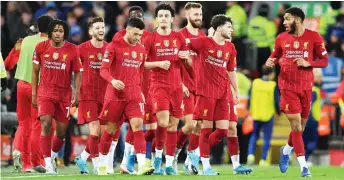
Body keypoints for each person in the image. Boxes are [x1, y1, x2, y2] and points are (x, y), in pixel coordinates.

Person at [265, 7, 329, 177]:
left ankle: (285, 151)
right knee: (295, 125)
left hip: (306, 87)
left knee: (300, 128)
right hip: (287, 87)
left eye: (287, 19)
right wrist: (271, 60)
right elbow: (274, 55)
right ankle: (304, 167)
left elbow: (324, 61)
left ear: (298, 20)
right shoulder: (281, 38)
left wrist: (309, 63)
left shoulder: (314, 37)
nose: (283, 22)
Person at [183, 14, 244, 175]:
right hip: (206, 92)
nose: (232, 30)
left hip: (223, 94)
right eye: (229, 27)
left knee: (223, 131)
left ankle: (194, 154)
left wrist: (236, 91)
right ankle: (206, 167)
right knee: (205, 129)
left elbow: (231, 71)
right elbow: (184, 43)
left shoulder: (231, 48)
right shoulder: (204, 42)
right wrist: (184, 56)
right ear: (218, 28)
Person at [97, 17, 158, 176]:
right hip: (115, 95)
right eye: (136, 34)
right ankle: (102, 164)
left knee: (138, 127)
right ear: (128, 30)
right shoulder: (113, 46)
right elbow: (103, 70)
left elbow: (139, 73)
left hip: (134, 95)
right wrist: (113, 80)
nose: (138, 38)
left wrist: (141, 93)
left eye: (140, 35)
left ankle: (142, 165)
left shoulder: (141, 50)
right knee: (110, 130)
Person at [32, 19, 83, 174]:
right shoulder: (40, 47)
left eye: (61, 31)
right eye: (55, 30)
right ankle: (47, 163)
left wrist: (77, 92)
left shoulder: (73, 49)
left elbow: (78, 72)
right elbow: (35, 72)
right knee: (46, 124)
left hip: (64, 94)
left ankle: (52, 158)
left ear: (64, 33)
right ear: (50, 32)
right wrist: (34, 93)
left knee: (61, 133)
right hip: (45, 92)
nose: (58, 34)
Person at [143, 3, 188, 175]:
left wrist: (186, 59)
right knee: (162, 122)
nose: (163, 18)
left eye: (166, 16)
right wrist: (158, 64)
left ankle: (169, 164)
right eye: (160, 16)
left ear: (172, 19)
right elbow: (142, 64)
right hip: (158, 85)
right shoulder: (150, 38)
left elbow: (186, 66)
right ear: (156, 19)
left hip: (176, 86)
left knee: (173, 126)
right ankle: (157, 158)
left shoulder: (179, 38)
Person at [109, 6, 153, 175]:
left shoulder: (148, 37)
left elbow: (144, 62)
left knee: (139, 126)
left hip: (144, 85)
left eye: (139, 16)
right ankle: (108, 161)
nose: (137, 18)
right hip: (122, 87)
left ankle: (129, 162)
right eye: (133, 16)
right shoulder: (118, 37)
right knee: (116, 126)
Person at [12, 15, 53, 173]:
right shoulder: (47, 44)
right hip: (37, 88)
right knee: (38, 126)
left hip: (21, 84)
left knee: (23, 124)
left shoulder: (27, 40)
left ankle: (18, 152)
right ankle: (36, 162)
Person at [173, 2, 206, 175]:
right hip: (184, 87)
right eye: (195, 15)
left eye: (200, 14)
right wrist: (181, 83)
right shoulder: (178, 36)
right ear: (187, 16)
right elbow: (173, 64)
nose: (198, 17)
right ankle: (174, 154)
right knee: (191, 124)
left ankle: (190, 161)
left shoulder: (203, 37)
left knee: (199, 125)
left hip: (200, 88)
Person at [73, 17, 108, 175]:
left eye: (102, 27)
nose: (101, 30)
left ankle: (82, 157)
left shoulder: (109, 48)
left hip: (106, 95)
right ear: (90, 31)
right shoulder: (81, 49)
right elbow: (73, 69)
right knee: (94, 130)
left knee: (101, 133)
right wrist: (74, 91)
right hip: (87, 94)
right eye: (97, 27)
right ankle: (98, 166)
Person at [247, 65, 280, 166]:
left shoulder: (255, 82)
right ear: (271, 74)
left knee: (254, 135)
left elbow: (249, 96)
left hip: (256, 113)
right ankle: (263, 160)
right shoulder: (273, 85)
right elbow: (276, 102)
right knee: (266, 138)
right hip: (268, 114)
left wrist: (249, 109)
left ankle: (250, 155)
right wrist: (279, 112)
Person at [303, 68, 322, 165]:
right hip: (311, 119)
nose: (321, 79)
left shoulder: (307, 88)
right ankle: (305, 160)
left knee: (304, 140)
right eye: (319, 77)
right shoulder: (314, 90)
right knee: (312, 141)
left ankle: (289, 153)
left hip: (306, 119)